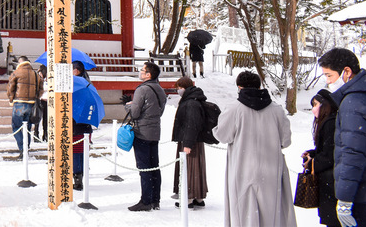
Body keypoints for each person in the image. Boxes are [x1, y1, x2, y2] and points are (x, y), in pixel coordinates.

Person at [213, 70, 296, 227]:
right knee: (271, 214)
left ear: (239, 87)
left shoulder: (234, 109)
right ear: (259, 87)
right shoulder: (276, 110)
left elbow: (223, 136)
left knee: (243, 214)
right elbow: (285, 141)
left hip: (242, 169)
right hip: (271, 170)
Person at [318, 47, 366, 227]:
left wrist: (345, 200)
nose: (328, 82)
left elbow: (353, 153)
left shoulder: (353, 102)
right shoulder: (364, 95)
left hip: (362, 194)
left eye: (329, 75)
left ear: (346, 71)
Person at [125, 61, 166, 211]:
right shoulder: (160, 89)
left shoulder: (142, 90)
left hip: (142, 132)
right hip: (155, 131)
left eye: (142, 70)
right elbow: (159, 111)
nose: (140, 72)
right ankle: (155, 199)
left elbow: (135, 113)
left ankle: (146, 200)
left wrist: (128, 105)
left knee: (144, 168)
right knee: (154, 166)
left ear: (148, 74)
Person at [302, 89, 339, 227]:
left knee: (332, 220)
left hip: (331, 182)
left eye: (315, 104)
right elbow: (325, 149)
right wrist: (312, 154)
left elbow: (330, 155)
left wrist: (313, 163)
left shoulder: (330, 122)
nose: (313, 109)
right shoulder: (328, 121)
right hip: (329, 181)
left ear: (325, 105)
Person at [171, 76, 208, 209]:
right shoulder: (193, 99)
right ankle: (198, 197)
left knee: (189, 169)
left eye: (180, 88)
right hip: (194, 140)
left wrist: (187, 143)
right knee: (196, 168)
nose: (178, 90)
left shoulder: (191, 102)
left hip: (189, 140)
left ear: (185, 88)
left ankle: (189, 197)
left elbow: (192, 124)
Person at [7, 55, 42, 156]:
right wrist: (36, 97)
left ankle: (22, 147)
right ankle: (26, 146)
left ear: (20, 63)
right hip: (31, 104)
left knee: (16, 126)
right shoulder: (35, 74)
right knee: (27, 126)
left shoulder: (16, 73)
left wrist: (11, 99)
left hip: (19, 103)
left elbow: (10, 88)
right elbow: (41, 88)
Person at [72, 60, 93, 191]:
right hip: (86, 123)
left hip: (76, 123)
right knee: (82, 152)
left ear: (77, 70)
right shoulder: (88, 84)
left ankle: (77, 179)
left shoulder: (76, 84)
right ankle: (80, 177)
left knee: (75, 152)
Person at [32, 64, 48, 143]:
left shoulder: (48, 79)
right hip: (39, 99)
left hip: (47, 100)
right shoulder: (37, 78)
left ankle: (45, 134)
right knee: (37, 117)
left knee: (46, 118)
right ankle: (36, 133)